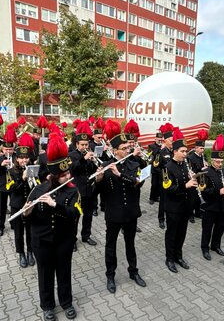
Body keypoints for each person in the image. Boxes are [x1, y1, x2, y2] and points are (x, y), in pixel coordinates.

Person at [23, 132, 81, 321]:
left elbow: (76, 213)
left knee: (64, 272)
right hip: (42, 241)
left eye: (68, 173)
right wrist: (27, 212)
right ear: (54, 176)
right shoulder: (38, 190)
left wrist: (56, 205)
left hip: (64, 239)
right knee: (45, 274)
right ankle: (47, 306)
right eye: (64, 175)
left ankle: (66, 302)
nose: (68, 176)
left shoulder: (73, 191)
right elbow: (28, 219)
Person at [96, 120, 146, 294]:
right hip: (113, 213)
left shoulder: (134, 164)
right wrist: (98, 180)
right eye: (124, 148)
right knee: (110, 245)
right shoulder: (104, 166)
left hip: (131, 212)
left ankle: (133, 271)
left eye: (128, 147)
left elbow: (137, 184)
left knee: (130, 244)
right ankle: (110, 275)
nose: (128, 150)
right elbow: (94, 192)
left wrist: (120, 174)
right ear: (115, 150)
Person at [163, 128, 198, 273]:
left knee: (182, 232)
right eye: (182, 151)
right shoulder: (167, 167)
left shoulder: (185, 164)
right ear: (175, 151)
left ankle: (178, 256)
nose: (185, 154)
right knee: (172, 233)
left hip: (185, 206)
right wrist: (186, 185)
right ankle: (169, 258)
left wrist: (193, 178)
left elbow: (188, 181)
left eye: (186, 151)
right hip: (172, 207)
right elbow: (168, 188)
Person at [201, 134, 224, 261]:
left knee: (220, 228)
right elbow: (203, 190)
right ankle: (205, 248)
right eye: (217, 162)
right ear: (212, 161)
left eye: (221, 162)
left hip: (223, 206)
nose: (220, 164)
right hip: (210, 206)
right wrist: (217, 191)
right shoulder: (205, 172)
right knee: (207, 229)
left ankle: (215, 245)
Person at [69, 121, 98, 246]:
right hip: (77, 191)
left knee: (88, 216)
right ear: (77, 144)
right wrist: (83, 159)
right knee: (75, 217)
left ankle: (86, 236)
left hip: (89, 190)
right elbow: (72, 169)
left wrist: (94, 162)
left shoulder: (89, 154)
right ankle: (72, 240)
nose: (85, 147)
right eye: (82, 145)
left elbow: (92, 171)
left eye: (86, 144)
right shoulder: (71, 155)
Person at [9, 141, 35, 268]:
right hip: (17, 205)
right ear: (17, 158)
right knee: (18, 232)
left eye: (26, 158)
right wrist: (22, 178)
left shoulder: (33, 169)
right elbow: (12, 189)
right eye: (21, 158)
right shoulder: (11, 171)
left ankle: (30, 252)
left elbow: (36, 187)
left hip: (30, 204)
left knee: (30, 230)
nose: (24, 160)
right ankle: (21, 253)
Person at [0, 125, 17, 237]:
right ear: (2, 149)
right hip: (2, 186)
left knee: (15, 206)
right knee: (1, 208)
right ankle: (0, 227)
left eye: (10, 149)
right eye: (6, 149)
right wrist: (0, 165)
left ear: (13, 148)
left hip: (14, 186)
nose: (8, 151)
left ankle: (14, 223)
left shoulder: (17, 157)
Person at [156, 123, 175, 229]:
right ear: (165, 141)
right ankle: (161, 219)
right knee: (163, 201)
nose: (173, 142)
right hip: (164, 180)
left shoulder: (174, 152)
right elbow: (156, 167)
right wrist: (164, 176)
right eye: (171, 141)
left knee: (170, 200)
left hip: (172, 181)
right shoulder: (161, 152)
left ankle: (169, 217)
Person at [188, 129, 209, 220]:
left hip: (202, 179)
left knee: (199, 197)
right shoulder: (191, 157)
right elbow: (191, 170)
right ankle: (190, 214)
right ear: (196, 148)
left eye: (203, 148)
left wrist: (207, 166)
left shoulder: (204, 156)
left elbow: (206, 165)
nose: (202, 150)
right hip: (194, 179)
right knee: (192, 198)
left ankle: (198, 212)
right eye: (201, 148)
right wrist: (201, 169)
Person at [148, 132, 163, 205]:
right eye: (158, 139)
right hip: (154, 168)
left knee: (159, 184)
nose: (160, 141)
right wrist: (160, 149)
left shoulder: (163, 146)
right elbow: (150, 155)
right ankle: (151, 198)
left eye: (161, 140)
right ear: (155, 139)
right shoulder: (151, 146)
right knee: (154, 184)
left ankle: (157, 197)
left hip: (160, 168)